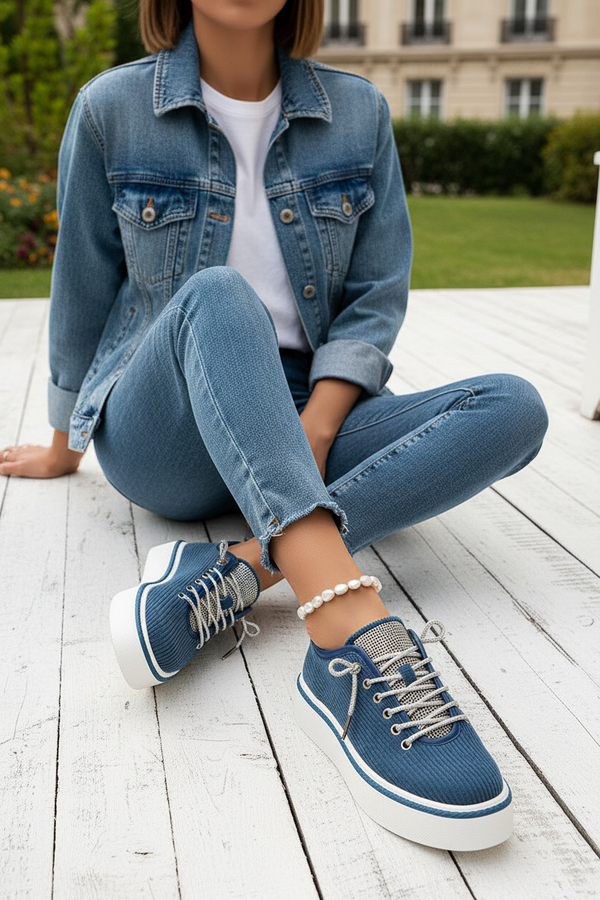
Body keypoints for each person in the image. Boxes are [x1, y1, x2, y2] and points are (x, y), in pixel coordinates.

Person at [0, 0, 548, 851]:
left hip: (300, 408)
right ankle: (349, 629)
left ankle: (240, 572)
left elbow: (374, 299)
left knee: (515, 406)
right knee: (220, 296)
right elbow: (81, 289)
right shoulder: (112, 108)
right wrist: (64, 443)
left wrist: (317, 425)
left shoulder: (357, 111)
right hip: (167, 423)